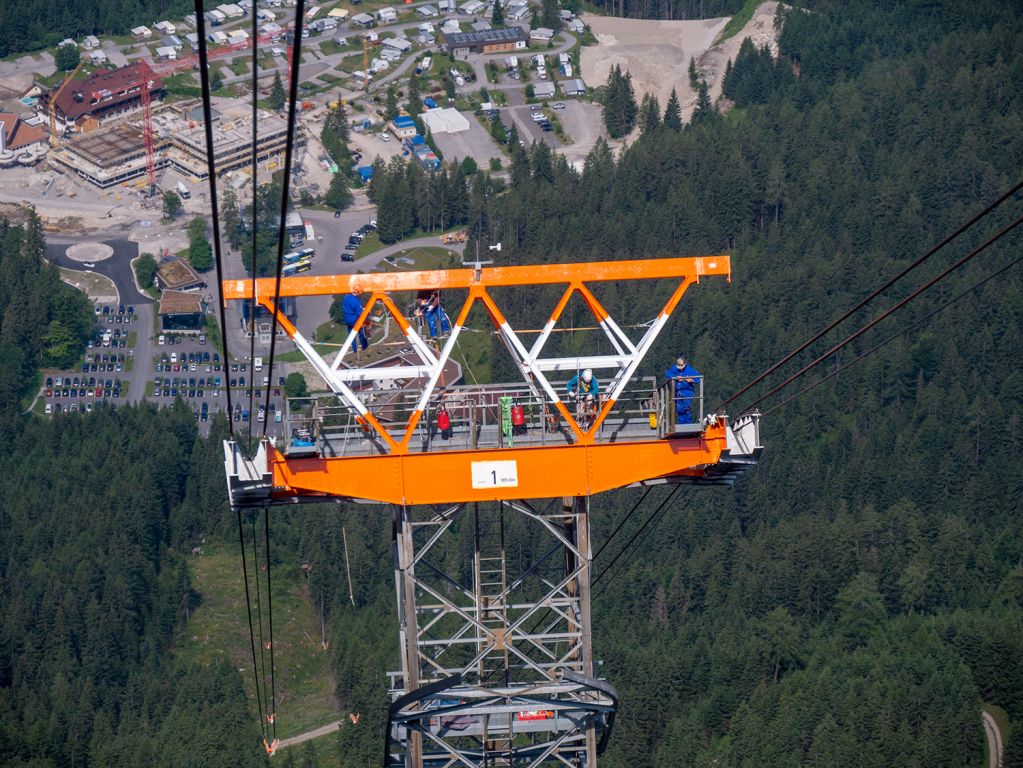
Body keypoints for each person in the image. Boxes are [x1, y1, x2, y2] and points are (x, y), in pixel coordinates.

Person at [664, 355, 701, 425]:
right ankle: (682, 426)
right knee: (680, 411)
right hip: (678, 393)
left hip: (687, 393)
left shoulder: (689, 370)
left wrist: (691, 380)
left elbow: (699, 378)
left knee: (687, 411)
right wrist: (675, 377)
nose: (680, 368)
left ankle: (687, 427)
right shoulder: (675, 368)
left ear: (685, 364)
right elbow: (667, 374)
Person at [342, 286, 369, 353]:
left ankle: (355, 349)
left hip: (347, 319)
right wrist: (366, 312)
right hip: (354, 320)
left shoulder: (346, 297)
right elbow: (360, 313)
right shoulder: (356, 301)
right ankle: (364, 346)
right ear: (357, 292)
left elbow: (350, 308)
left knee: (351, 334)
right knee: (361, 332)